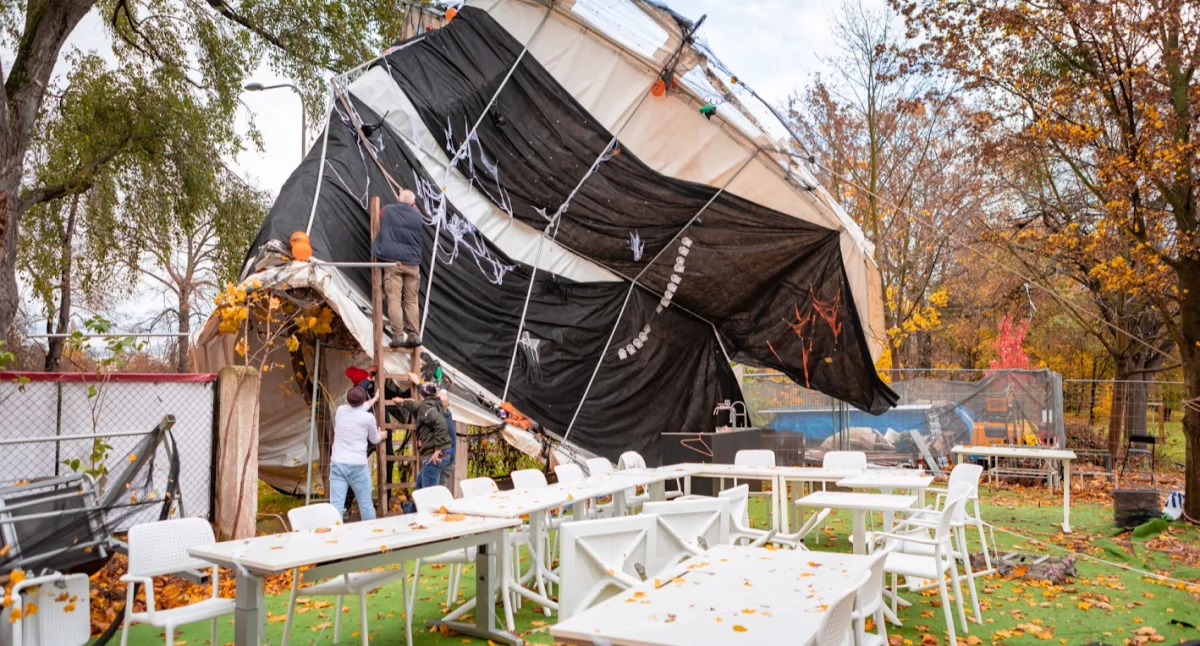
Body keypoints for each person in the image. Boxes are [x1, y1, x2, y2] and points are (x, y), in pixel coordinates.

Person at [371, 189, 424, 348]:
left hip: (393, 262)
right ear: (413, 203)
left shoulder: (388, 210)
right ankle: (414, 336)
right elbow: (415, 211)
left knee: (394, 299)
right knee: (411, 301)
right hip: (413, 263)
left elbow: (380, 216)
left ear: (398, 199)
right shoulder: (418, 216)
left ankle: (398, 336)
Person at [330, 386, 382, 521]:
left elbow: (359, 408)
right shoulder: (369, 418)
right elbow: (374, 439)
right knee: (365, 505)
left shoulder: (340, 411)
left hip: (338, 463)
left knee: (336, 505)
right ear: (364, 399)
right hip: (358, 466)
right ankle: (371, 534)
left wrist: (375, 399)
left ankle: (334, 536)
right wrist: (381, 435)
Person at [393, 378, 450, 491]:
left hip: (434, 456)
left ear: (421, 394)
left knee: (428, 495)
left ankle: (431, 508)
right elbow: (416, 407)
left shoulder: (426, 407)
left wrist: (438, 449)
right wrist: (403, 401)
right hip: (443, 454)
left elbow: (440, 423)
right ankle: (411, 509)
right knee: (419, 490)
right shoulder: (435, 405)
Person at [438, 390, 456, 487]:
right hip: (448, 460)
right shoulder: (447, 413)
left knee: (439, 490)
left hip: (445, 461)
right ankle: (413, 503)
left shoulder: (442, 420)